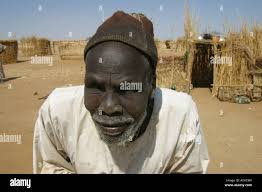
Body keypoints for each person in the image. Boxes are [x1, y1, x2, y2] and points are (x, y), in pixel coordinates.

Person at [33, 11, 209, 174]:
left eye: (126, 88)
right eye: (96, 86)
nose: (109, 107)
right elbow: (51, 165)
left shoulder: (179, 119)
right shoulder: (58, 113)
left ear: (151, 84)